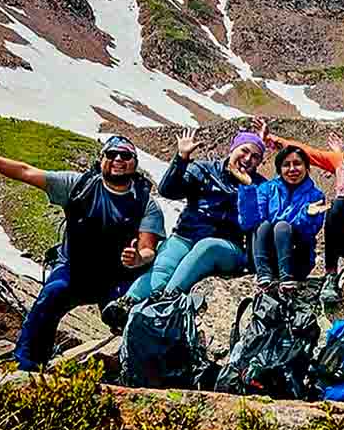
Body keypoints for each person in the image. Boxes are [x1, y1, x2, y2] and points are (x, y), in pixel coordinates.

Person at [0, 131, 163, 371]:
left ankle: (140, 370)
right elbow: (25, 171)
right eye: (112, 154)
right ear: (102, 159)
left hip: (118, 277)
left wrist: (137, 259)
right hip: (74, 269)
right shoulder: (78, 186)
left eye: (125, 155)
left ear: (134, 164)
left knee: (134, 316)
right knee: (51, 297)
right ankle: (27, 363)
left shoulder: (145, 202)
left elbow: (149, 250)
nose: (118, 159)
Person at [101, 128, 266, 330]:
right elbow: (167, 190)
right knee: (165, 263)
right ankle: (126, 303)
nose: (248, 159)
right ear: (233, 148)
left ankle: (166, 299)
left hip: (228, 247)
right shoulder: (205, 170)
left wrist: (247, 186)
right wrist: (181, 158)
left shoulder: (259, 186)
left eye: (256, 157)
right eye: (244, 151)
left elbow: (254, 221)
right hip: (186, 235)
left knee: (207, 247)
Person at [257, 117, 344, 319]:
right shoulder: (341, 160)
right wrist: (270, 139)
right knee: (338, 204)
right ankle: (331, 275)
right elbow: (307, 153)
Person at [236, 145, 326, 296]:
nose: (292, 169)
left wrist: (306, 216)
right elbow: (248, 223)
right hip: (265, 257)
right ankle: (264, 276)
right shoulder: (266, 189)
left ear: (306, 167)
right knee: (264, 225)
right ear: (279, 169)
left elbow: (310, 232)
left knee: (282, 227)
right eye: (286, 165)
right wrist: (248, 189)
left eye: (297, 164)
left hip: (296, 260)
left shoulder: (315, 197)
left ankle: (287, 279)